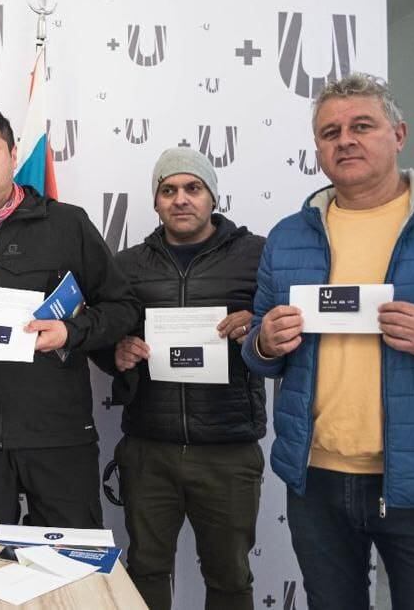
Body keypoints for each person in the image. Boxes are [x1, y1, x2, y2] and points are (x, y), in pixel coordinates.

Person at [242, 73, 414, 609]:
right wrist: (266, 343)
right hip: (317, 478)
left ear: (398, 134)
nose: (344, 139)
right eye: (330, 132)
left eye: (361, 126)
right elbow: (255, 346)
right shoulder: (288, 234)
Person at [0, 102, 139, 528]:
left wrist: (70, 331)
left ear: (13, 155)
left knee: (73, 573)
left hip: (58, 435)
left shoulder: (67, 225)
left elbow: (123, 307)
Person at [92, 147, 266, 610]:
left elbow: (291, 323)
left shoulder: (257, 255)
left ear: (212, 197)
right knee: (146, 569)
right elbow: (104, 334)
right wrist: (117, 352)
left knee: (230, 578)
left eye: (193, 188)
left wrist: (259, 322)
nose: (181, 199)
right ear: (156, 202)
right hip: (151, 448)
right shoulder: (127, 265)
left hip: (228, 449)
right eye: (168, 190)